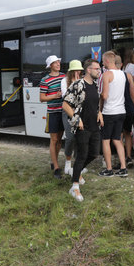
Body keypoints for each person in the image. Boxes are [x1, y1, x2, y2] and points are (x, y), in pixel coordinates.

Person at [62, 59, 104, 202]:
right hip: (82, 126)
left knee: (94, 153)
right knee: (81, 155)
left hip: (94, 125)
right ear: (88, 70)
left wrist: (99, 113)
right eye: (97, 69)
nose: (99, 71)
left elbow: (94, 103)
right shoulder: (78, 85)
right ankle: (74, 188)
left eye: (99, 69)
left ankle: (76, 171)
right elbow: (65, 104)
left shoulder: (96, 85)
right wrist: (76, 118)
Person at [99, 51, 129, 177]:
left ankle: (109, 169)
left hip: (109, 112)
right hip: (121, 111)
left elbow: (105, 95)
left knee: (106, 141)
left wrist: (98, 96)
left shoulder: (107, 75)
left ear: (106, 61)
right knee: (117, 139)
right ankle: (123, 168)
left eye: (102, 61)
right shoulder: (123, 74)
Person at [40, 55, 66, 179]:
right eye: (55, 63)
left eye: (58, 62)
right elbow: (42, 98)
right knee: (54, 139)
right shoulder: (45, 80)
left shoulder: (64, 76)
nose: (58, 64)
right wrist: (55, 96)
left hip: (63, 111)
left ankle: (53, 161)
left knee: (60, 140)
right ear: (50, 66)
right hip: (53, 113)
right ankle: (56, 167)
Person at [62, 59, 84, 177]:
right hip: (68, 111)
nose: (78, 72)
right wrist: (74, 83)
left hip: (80, 112)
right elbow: (66, 97)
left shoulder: (83, 81)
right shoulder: (64, 81)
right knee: (70, 138)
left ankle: (77, 164)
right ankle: (68, 161)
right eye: (75, 70)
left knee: (80, 139)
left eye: (79, 70)